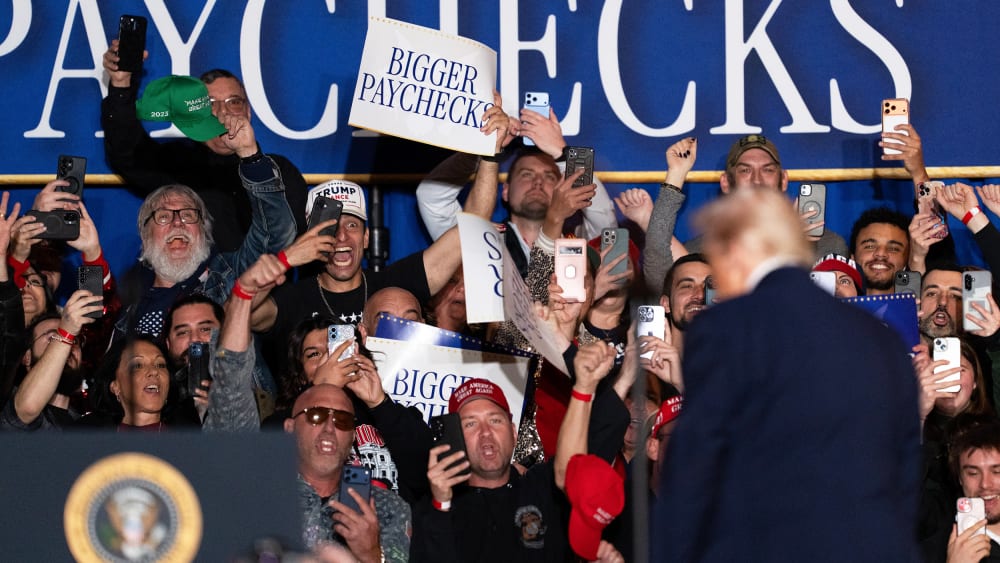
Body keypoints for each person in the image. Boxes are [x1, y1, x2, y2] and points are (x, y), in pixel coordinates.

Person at [655, 188, 921, 561]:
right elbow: (905, 468)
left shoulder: (727, 327)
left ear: (740, 249)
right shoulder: (880, 336)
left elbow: (696, 468)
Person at [411, 339, 629, 563]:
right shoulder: (437, 507)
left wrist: (583, 381)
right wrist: (441, 505)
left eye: (495, 420)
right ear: (456, 438)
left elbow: (611, 420)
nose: (486, 432)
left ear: (514, 433)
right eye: (470, 424)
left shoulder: (544, 487)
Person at [102, 44, 308, 251]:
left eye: (233, 102)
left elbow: (290, 240)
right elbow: (127, 152)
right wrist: (121, 84)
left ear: (248, 112)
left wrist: (250, 159)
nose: (222, 112)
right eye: (209, 103)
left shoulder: (278, 172)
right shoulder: (177, 164)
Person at [284, 383, 411, 561]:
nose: (329, 428)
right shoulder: (258, 494)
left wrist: (371, 555)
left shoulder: (387, 507)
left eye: (342, 420)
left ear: (352, 436)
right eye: (316, 415)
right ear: (290, 428)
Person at [680, 134, 849, 261]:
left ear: (783, 180)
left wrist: (802, 246)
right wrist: (675, 174)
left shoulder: (830, 245)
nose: (757, 180)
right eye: (745, 170)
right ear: (726, 183)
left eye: (767, 170)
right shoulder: (701, 250)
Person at [848, 206, 911, 295]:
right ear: (852, 258)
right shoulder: (830, 307)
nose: (881, 253)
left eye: (893, 248)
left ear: (907, 260)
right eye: (870, 246)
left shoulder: (923, 307)